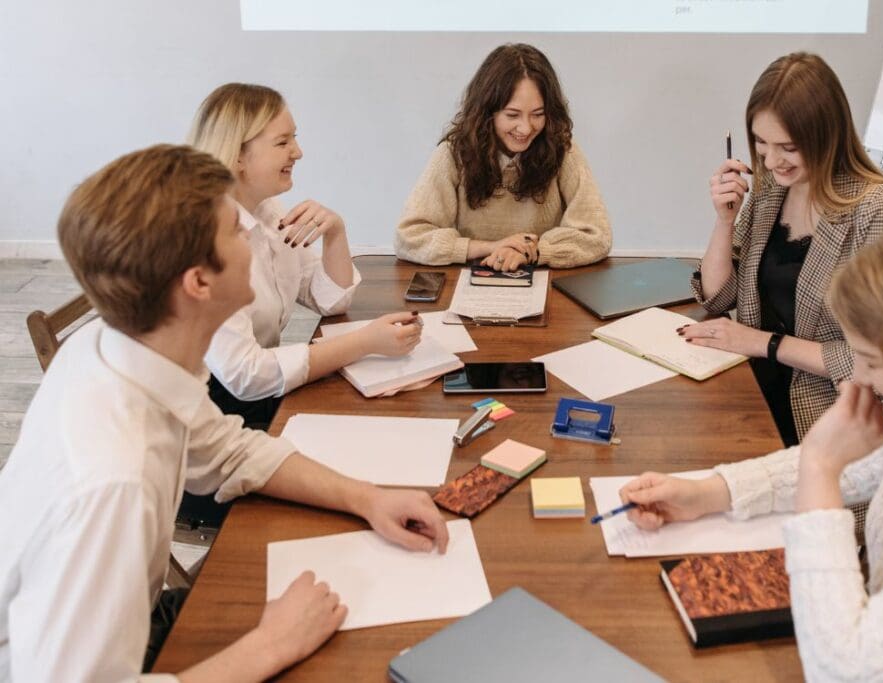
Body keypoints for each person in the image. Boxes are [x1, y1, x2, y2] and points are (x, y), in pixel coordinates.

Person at [0, 145, 450, 682]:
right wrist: (270, 645)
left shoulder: (122, 345)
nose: (253, 240)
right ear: (199, 283)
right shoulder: (114, 484)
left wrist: (367, 497)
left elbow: (230, 451)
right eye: (237, 233)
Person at [622, 219, 883, 681]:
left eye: (870, 362)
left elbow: (845, 672)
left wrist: (820, 468)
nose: (857, 378)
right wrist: (708, 492)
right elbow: (858, 463)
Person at [682, 52, 883, 446]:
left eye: (787, 147)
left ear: (827, 135)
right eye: (760, 143)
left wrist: (762, 343)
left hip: (829, 416)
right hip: (752, 393)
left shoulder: (880, 209)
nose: (771, 161)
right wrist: (724, 222)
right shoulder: (774, 188)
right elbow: (720, 297)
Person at [188, 83, 421, 428]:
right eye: (283, 142)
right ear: (237, 155)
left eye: (294, 138)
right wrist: (365, 343)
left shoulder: (267, 210)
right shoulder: (205, 240)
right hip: (217, 417)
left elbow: (329, 301)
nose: (297, 152)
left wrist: (336, 232)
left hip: (262, 395)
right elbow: (246, 376)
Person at [395, 43, 611, 272]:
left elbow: (596, 235)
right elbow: (409, 239)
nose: (526, 128)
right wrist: (490, 247)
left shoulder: (564, 152)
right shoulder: (453, 154)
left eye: (538, 114)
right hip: (472, 282)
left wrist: (531, 252)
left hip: (544, 284)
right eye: (512, 115)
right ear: (487, 112)